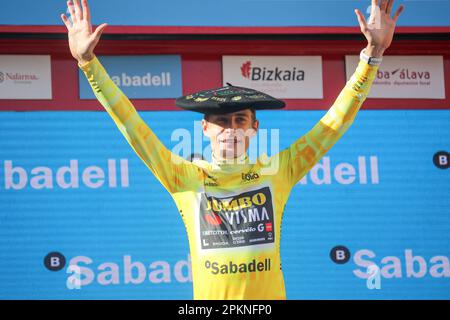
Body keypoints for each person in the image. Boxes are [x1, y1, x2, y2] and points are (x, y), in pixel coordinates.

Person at [61, 0, 404, 299]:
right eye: (221, 121)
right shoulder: (184, 176)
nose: (231, 129)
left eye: (241, 120)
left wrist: (372, 56)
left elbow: (334, 124)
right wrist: (88, 62)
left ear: (255, 128)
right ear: (205, 128)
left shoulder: (278, 170)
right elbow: (132, 126)